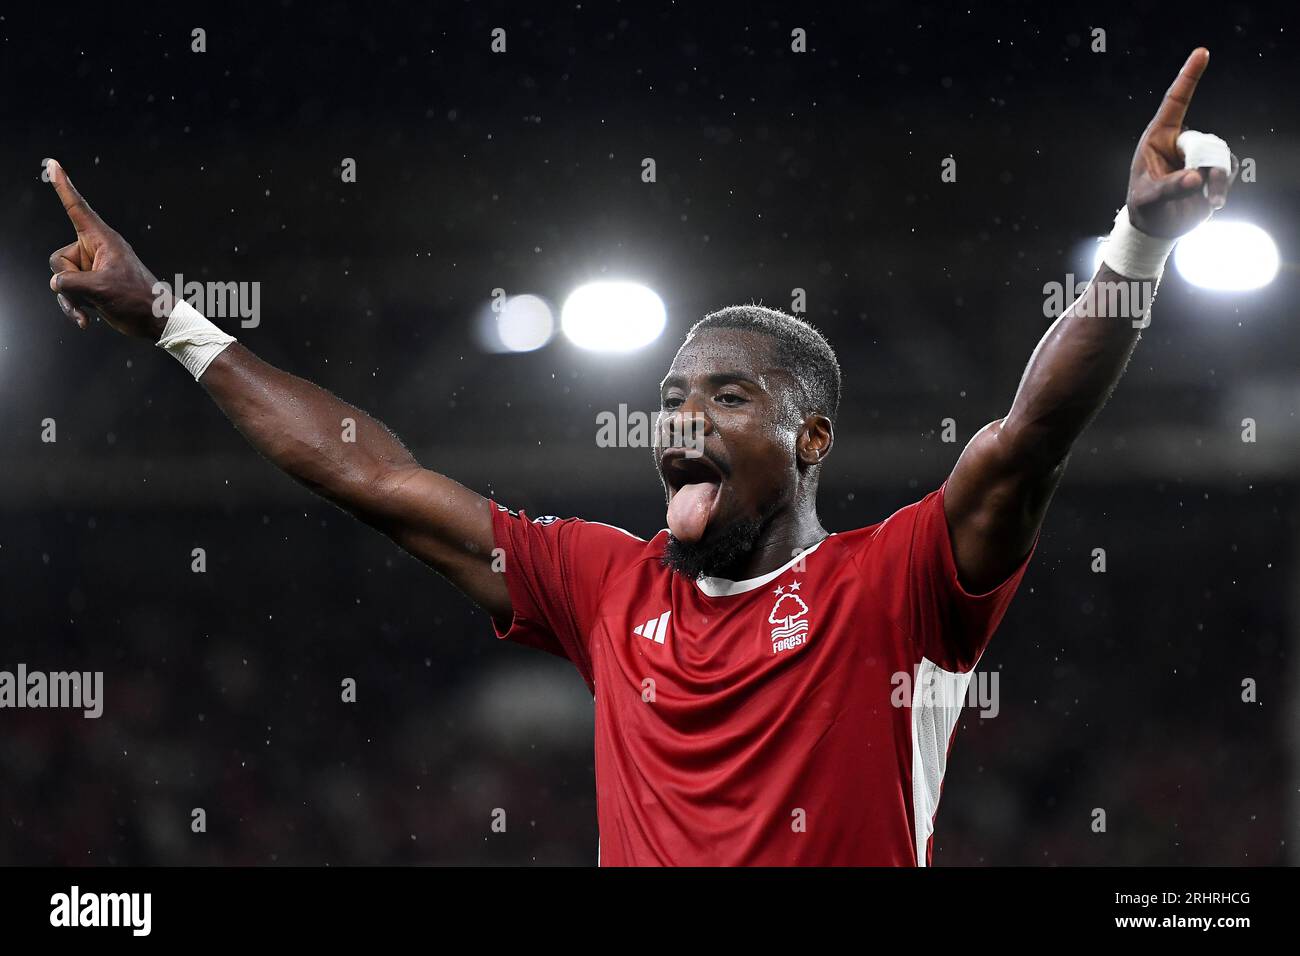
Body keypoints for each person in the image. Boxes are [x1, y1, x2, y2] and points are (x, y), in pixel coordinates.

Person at [44, 49, 1234, 865]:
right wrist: (166, 320)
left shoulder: (899, 583)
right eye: (669, 399)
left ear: (811, 438)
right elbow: (370, 474)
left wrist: (1136, 240)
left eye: (727, 395)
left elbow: (1028, 437)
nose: (682, 420)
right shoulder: (605, 585)